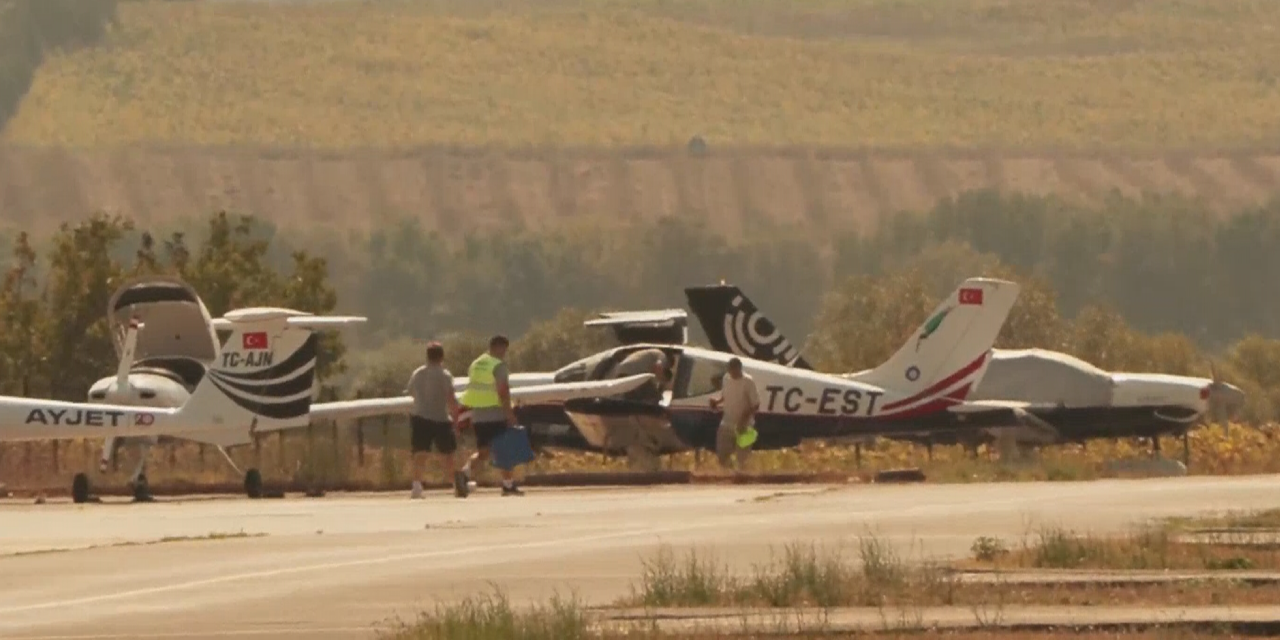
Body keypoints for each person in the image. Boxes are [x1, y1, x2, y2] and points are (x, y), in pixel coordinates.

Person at [459, 334, 523, 496]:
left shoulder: (476, 363)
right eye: (504, 350)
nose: (504, 354)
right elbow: (503, 391)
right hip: (496, 413)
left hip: (478, 415)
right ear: (499, 347)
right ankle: (508, 485)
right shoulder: (498, 366)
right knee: (504, 450)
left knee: (483, 452)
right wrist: (510, 414)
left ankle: (464, 473)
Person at [406, 341, 468, 499]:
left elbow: (411, 392)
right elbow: (451, 399)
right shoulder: (445, 375)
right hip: (441, 418)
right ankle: (457, 484)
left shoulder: (417, 373)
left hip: (420, 417)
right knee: (448, 454)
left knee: (420, 453)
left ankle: (416, 486)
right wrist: (456, 421)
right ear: (442, 357)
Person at [709, 357, 759, 471]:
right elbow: (725, 396)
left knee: (743, 459)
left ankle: (742, 476)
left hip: (745, 426)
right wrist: (716, 402)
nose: (732, 373)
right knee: (722, 455)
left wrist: (743, 419)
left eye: (734, 370)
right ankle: (729, 474)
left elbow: (755, 404)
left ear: (739, 369)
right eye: (730, 370)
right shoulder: (726, 378)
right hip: (727, 423)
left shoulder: (748, 381)